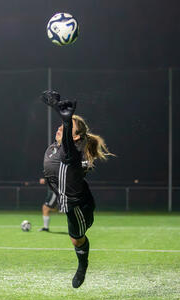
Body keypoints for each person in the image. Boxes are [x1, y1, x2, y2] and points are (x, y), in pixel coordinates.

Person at [40, 90, 114, 288]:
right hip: (65, 199)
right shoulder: (56, 145)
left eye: (65, 126)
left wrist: (65, 120)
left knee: (77, 239)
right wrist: (57, 107)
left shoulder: (76, 149)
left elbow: (68, 155)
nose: (60, 127)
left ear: (77, 136)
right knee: (71, 235)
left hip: (78, 206)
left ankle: (83, 265)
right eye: (61, 124)